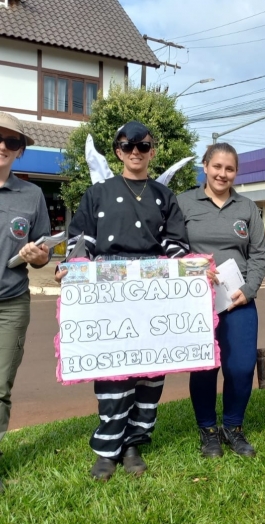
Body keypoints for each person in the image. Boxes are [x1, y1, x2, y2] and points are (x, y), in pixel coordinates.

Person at [57, 121, 189, 481]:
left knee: (149, 369)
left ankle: (133, 442)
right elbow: (79, 240)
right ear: (117, 151)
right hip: (109, 290)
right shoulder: (97, 193)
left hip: (152, 290)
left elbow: (177, 244)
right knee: (115, 368)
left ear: (152, 151)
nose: (135, 152)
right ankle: (107, 448)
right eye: (127, 146)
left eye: (143, 146)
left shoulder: (164, 195)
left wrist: (190, 272)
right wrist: (73, 268)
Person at [177, 143, 265, 458]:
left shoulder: (247, 207)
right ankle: (208, 431)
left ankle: (233, 427)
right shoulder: (184, 203)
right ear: (205, 166)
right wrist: (194, 269)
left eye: (229, 169)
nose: (222, 174)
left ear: (236, 173)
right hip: (198, 302)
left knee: (241, 367)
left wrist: (251, 287)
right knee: (204, 367)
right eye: (217, 166)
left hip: (237, 301)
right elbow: (171, 246)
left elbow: (259, 252)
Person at [0, 112, 51, 491]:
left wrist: (39, 256)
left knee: (0, 385)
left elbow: (46, 249)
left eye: (12, 142)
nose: (3, 146)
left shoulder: (31, 195)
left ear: (20, 151)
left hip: (11, 303)